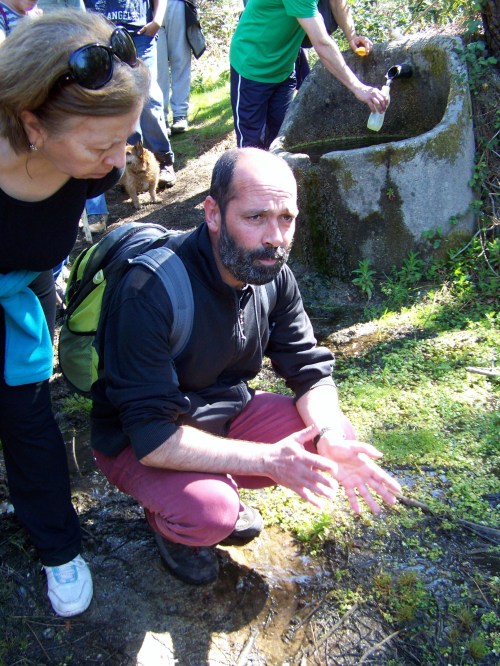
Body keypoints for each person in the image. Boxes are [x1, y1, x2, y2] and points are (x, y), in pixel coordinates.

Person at [90, 147, 402, 586]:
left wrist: (329, 436)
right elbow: (152, 438)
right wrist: (269, 460)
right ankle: (171, 522)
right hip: (137, 438)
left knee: (330, 436)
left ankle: (211, 479)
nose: (275, 237)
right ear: (213, 213)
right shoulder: (148, 289)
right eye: (255, 217)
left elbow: (310, 371)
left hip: (221, 413)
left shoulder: (269, 272)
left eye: (287, 218)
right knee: (210, 513)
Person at [0, 9, 149, 616]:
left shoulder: (87, 173)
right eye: (100, 145)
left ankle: (59, 548)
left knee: (28, 420)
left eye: (124, 139)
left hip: (22, 293)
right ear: (32, 123)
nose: (116, 163)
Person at [229, 0, 388, 150]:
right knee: (252, 149)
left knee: (280, 139)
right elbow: (322, 43)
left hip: (284, 68)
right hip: (252, 68)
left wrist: (351, 35)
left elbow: (337, 2)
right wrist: (358, 87)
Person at [84, 0, 177, 187]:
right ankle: (132, 171)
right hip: (102, 33)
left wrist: (157, 20)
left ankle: (162, 160)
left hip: (140, 31)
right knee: (121, 101)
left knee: (149, 95)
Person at [157, 0, 191, 134]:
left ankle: (180, 115)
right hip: (149, 9)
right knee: (158, 69)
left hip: (176, 3)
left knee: (180, 59)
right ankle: (161, 118)